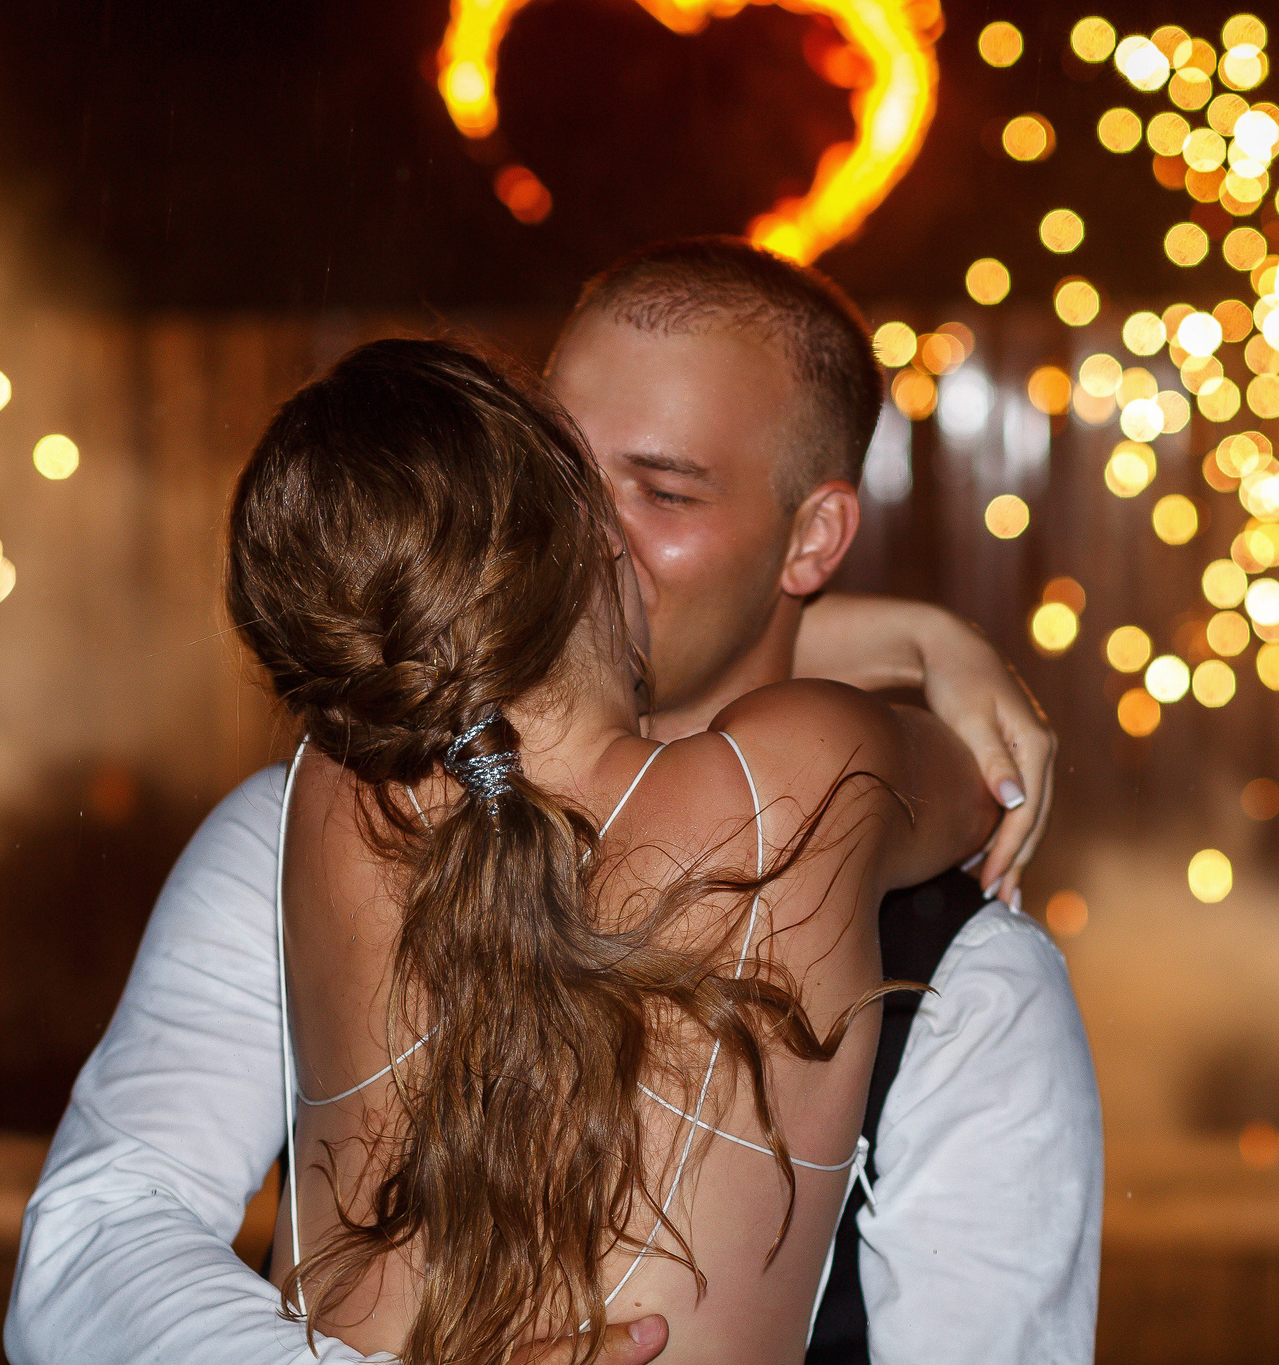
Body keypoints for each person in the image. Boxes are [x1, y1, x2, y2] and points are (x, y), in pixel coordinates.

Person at [8, 239, 1102, 1365]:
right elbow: (95, 1238)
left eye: (664, 491)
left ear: (812, 538)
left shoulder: (970, 981)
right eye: (560, 472)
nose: (594, 535)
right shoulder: (290, 825)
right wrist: (918, 644)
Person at [228, 336, 1001, 1363]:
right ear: (594, 542)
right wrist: (924, 640)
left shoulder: (330, 795)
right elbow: (980, 781)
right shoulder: (795, 780)